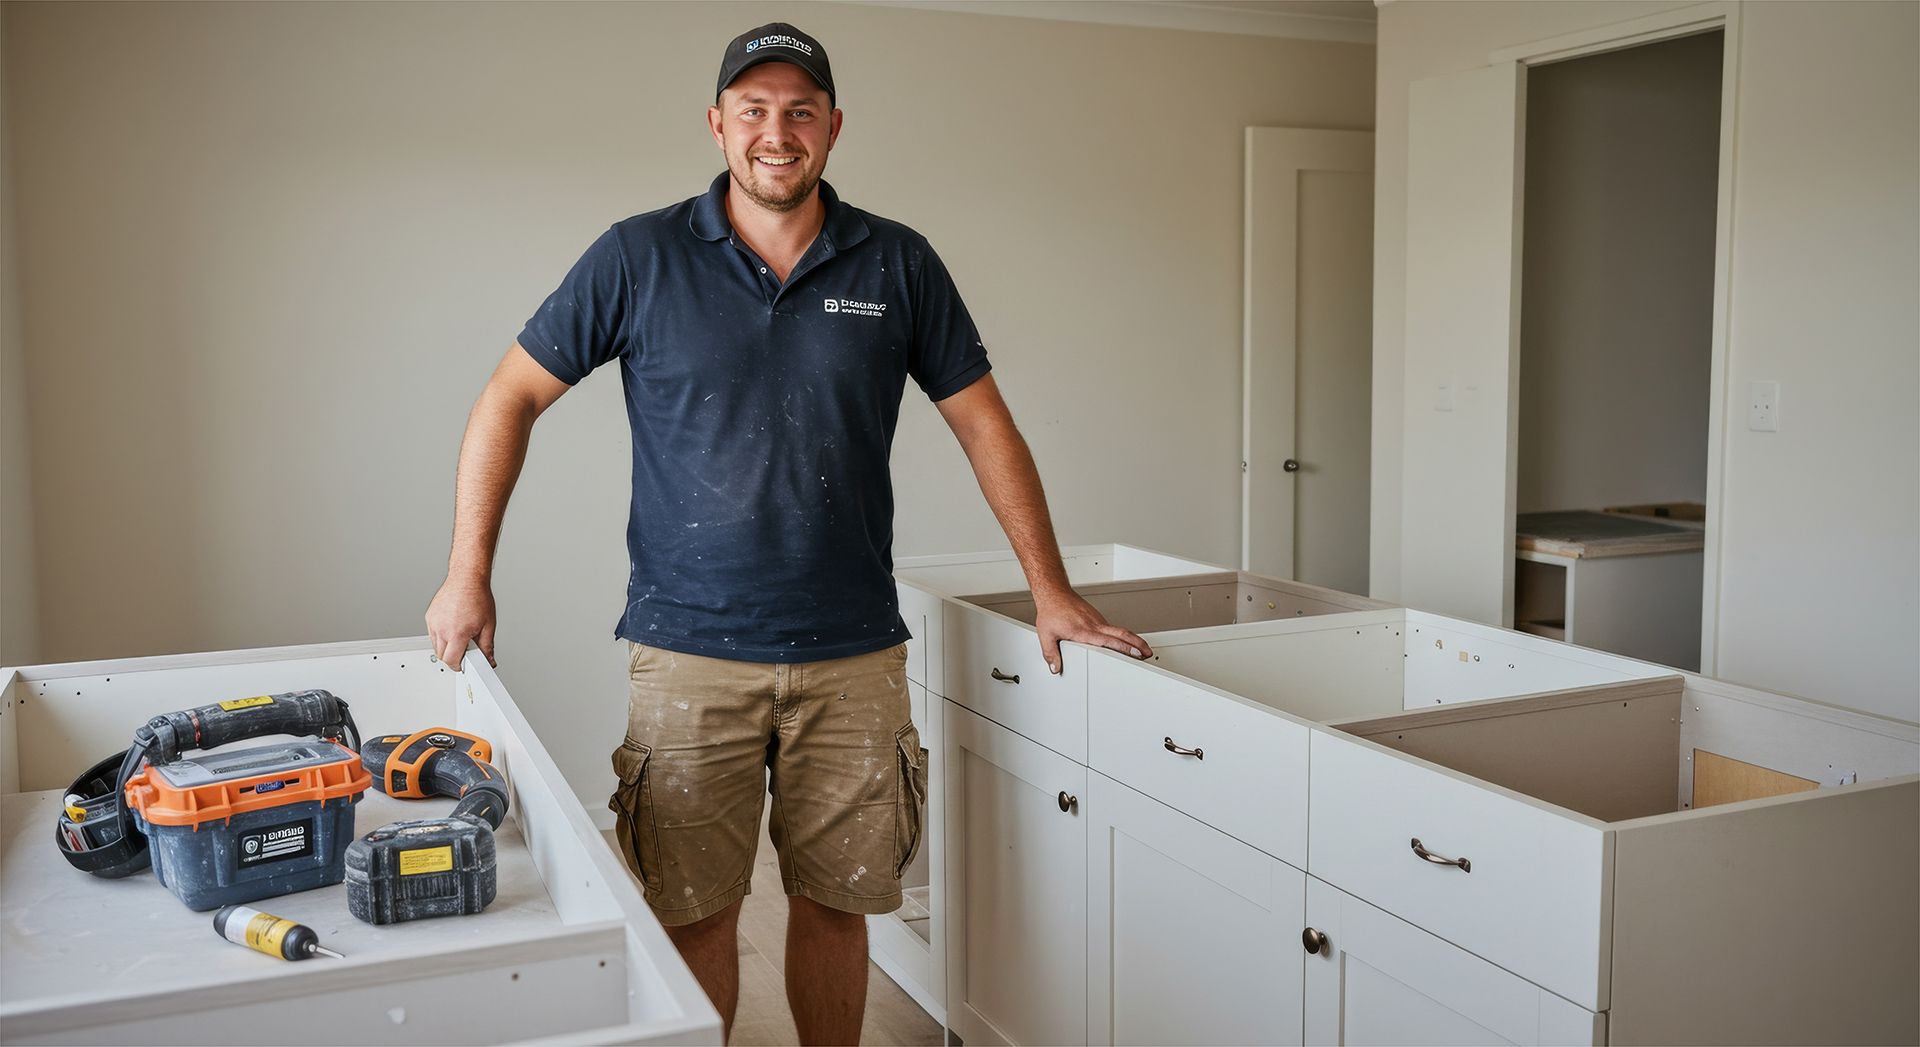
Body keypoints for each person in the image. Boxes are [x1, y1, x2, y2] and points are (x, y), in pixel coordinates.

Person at [424, 21, 1151, 1045]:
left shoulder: (896, 262)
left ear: (834, 128)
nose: (778, 132)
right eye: (755, 110)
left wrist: (1053, 591)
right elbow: (507, 398)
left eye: (801, 111)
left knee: (839, 906)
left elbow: (986, 426)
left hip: (853, 656)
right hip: (687, 653)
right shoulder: (640, 256)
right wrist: (469, 574)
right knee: (694, 913)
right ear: (718, 125)